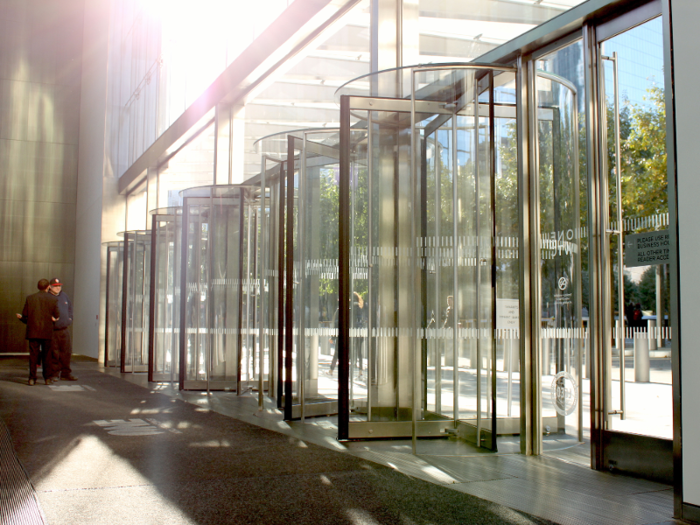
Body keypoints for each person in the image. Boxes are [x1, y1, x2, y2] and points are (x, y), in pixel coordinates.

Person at [16, 279, 60, 385]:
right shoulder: (53, 299)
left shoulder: (30, 298)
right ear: (48, 287)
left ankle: (32, 378)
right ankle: (47, 378)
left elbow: (25, 315)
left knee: (33, 356)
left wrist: (21, 318)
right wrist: (55, 319)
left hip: (33, 331)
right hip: (47, 332)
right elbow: (57, 315)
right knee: (47, 355)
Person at [48, 278, 77, 381]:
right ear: (50, 287)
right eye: (55, 286)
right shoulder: (47, 297)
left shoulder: (64, 296)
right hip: (53, 330)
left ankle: (65, 373)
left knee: (66, 352)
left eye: (59, 286)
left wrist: (70, 319)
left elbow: (70, 308)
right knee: (54, 353)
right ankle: (54, 374)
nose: (58, 288)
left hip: (64, 329)